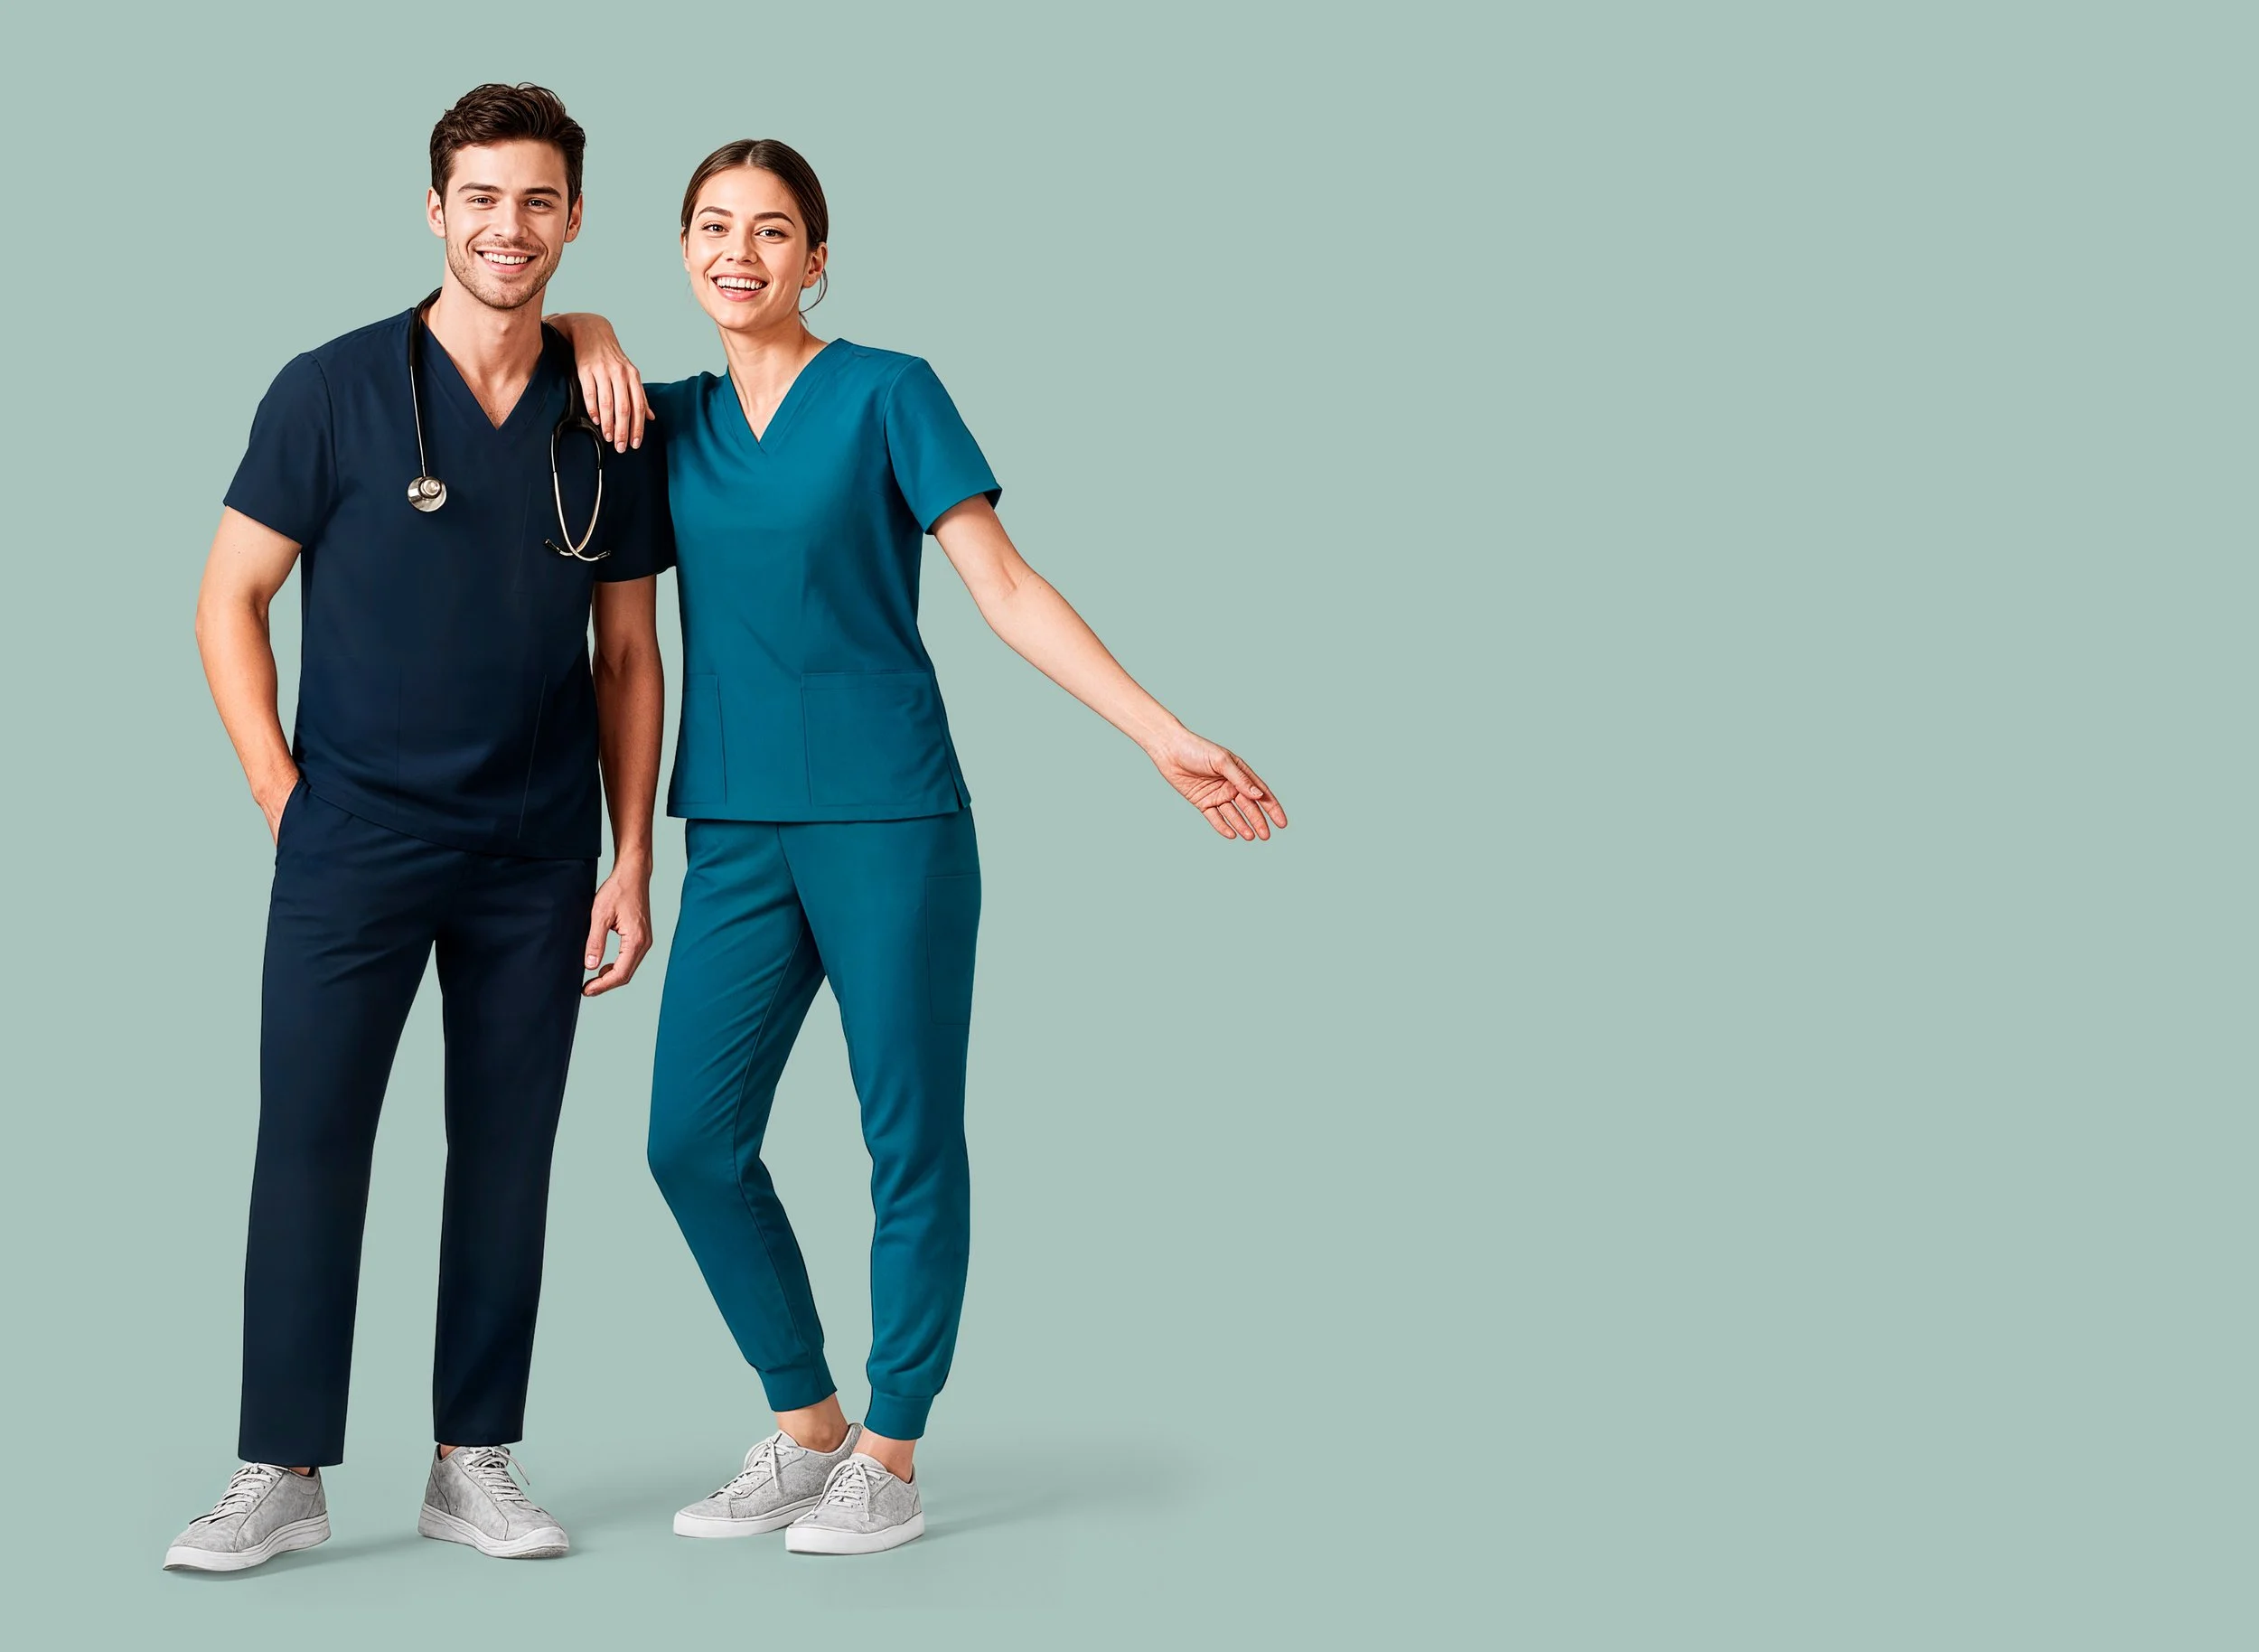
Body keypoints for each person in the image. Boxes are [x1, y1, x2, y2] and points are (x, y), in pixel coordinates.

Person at [548, 138, 1285, 1556]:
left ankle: (889, 1446)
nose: (740, 253)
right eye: (712, 227)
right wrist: (585, 322)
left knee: (907, 1136)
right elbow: (619, 637)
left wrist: (1158, 731)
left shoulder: (893, 390)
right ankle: (806, 1425)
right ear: (682, 251)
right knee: (689, 1143)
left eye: (773, 231)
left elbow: (1003, 584)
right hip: (738, 827)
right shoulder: (665, 419)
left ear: (818, 258)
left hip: (891, 816)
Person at [164, 83, 675, 1573]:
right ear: (434, 210)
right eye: (479, 198)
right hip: (355, 840)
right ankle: (279, 1467)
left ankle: (474, 1460)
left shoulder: (611, 415)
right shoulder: (327, 390)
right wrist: (280, 788)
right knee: (311, 1144)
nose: (506, 228)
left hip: (536, 851)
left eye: (537, 201)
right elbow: (226, 601)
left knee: (507, 1153)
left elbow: (630, 656)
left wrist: (631, 854)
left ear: (574, 220)